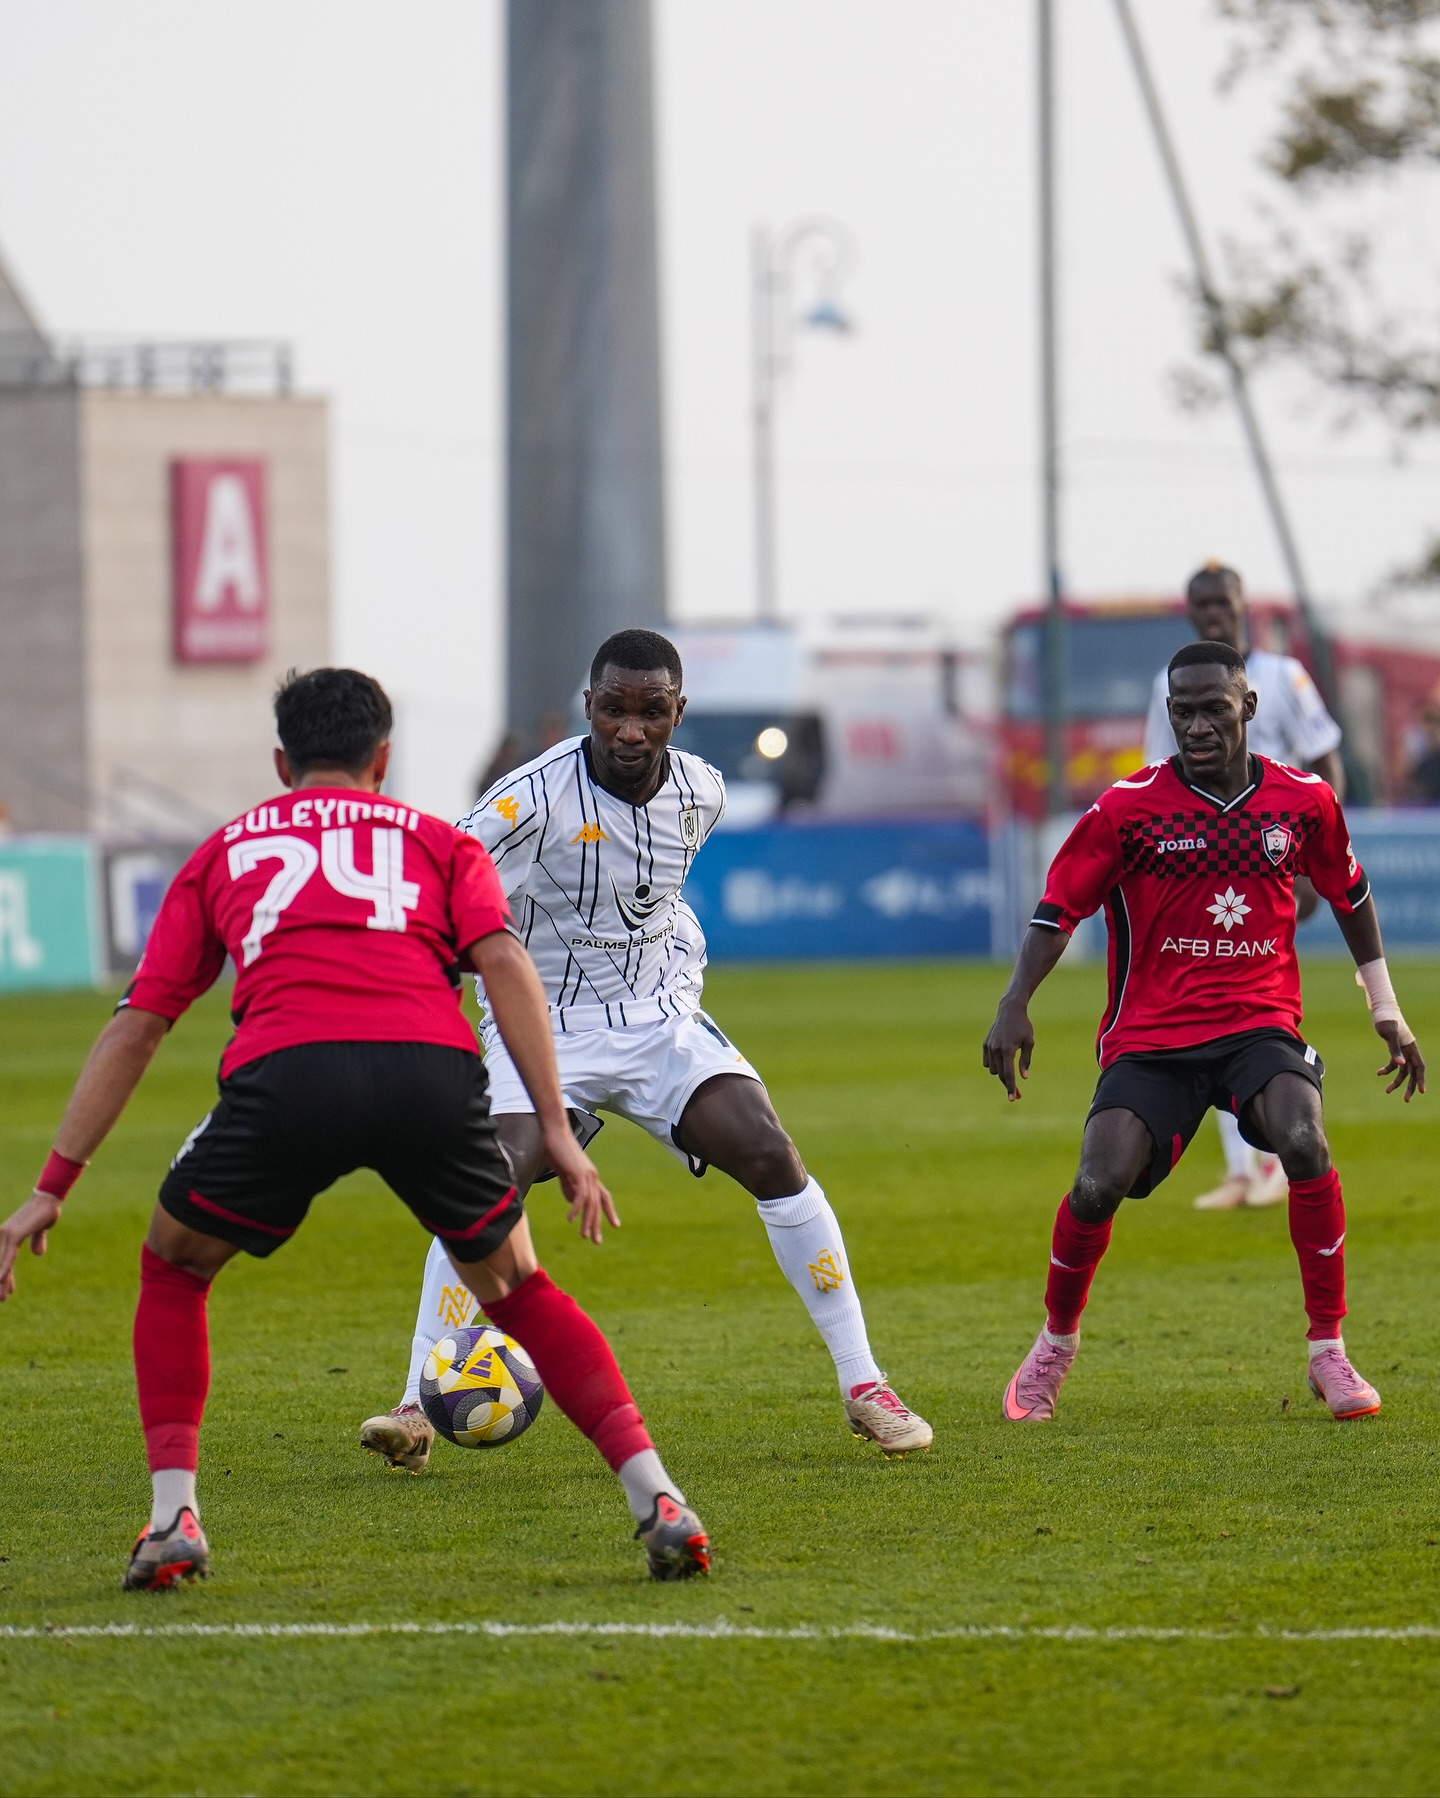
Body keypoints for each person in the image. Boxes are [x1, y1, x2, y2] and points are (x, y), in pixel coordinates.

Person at [0, 668, 710, 1588]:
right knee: (519, 1289)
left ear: (281, 759)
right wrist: (558, 1132)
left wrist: (50, 1188)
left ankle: (174, 1518)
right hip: (432, 1074)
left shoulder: (223, 852)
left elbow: (139, 1024)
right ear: (383, 757)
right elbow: (506, 968)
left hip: (287, 1076)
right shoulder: (434, 844)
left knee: (174, 1266)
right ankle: (658, 1497)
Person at [360, 628, 932, 1473]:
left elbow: (653, 899)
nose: (631, 729)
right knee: (489, 1178)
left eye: (651, 711)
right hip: (543, 1023)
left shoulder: (703, 791)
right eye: (614, 710)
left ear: (677, 712)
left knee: (771, 1153)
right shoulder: (527, 803)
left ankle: (865, 1386)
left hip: (659, 1018)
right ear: (588, 706)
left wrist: (672, 984)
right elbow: (441, 883)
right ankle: (417, 1404)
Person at [985, 641, 1424, 1425]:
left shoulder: (1303, 801)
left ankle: (1329, 1352)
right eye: (1180, 711)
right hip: (1151, 1039)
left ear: (1247, 708)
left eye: (1212, 709)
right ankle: (1054, 1346)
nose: (1196, 726)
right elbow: (1059, 911)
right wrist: (1016, 1001)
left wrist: (1384, 1007)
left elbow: (1350, 894)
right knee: (1097, 1183)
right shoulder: (1128, 810)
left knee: (1304, 1140)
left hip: (1259, 1026)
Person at [1142, 561, 1346, 1211]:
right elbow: (1156, 775)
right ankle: (1250, 1165)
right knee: (1220, 1002)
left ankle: (1273, 1150)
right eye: (1199, 603)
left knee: (1253, 1001)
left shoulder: (1283, 676)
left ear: (1243, 605)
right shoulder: (1167, 682)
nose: (1211, 614)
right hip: (1203, 864)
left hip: (1274, 858)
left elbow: (1323, 754)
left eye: (1221, 602)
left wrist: (1317, 858)